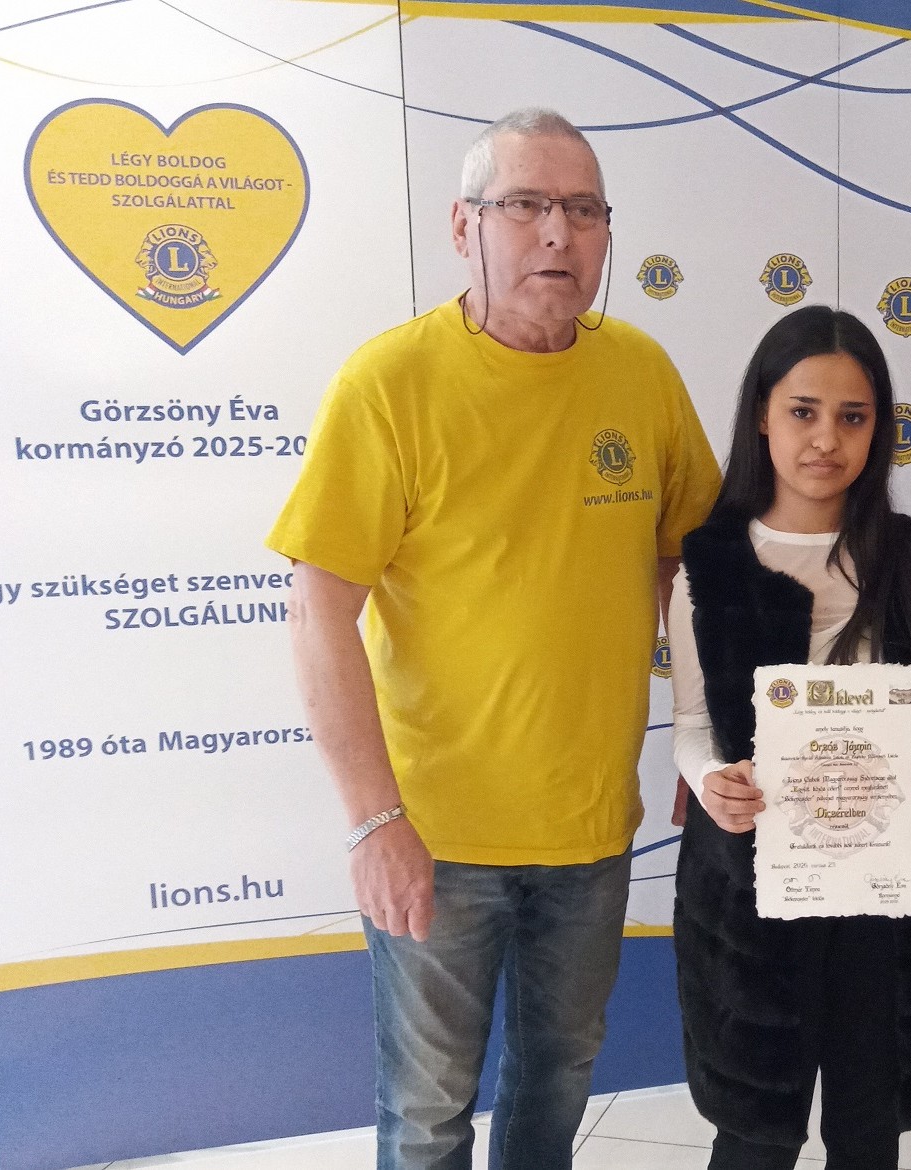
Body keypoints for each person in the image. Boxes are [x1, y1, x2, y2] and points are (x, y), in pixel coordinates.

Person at [267, 108, 720, 1170]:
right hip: (438, 834)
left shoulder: (641, 373)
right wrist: (373, 821)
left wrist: (704, 738)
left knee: (558, 1078)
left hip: (591, 825)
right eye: (525, 204)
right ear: (463, 225)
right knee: (428, 1113)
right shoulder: (390, 384)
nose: (558, 233)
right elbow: (318, 604)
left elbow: (694, 570)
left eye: (584, 209)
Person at [668, 305, 911, 1169]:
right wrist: (712, 778)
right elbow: (691, 725)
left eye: (852, 416)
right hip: (755, 887)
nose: (825, 440)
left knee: (869, 1126)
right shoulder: (709, 565)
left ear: (879, 428)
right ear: (762, 416)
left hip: (885, 890)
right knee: (753, 1131)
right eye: (802, 411)